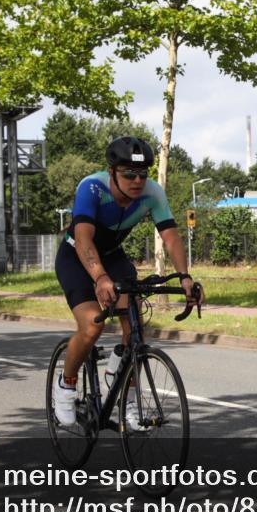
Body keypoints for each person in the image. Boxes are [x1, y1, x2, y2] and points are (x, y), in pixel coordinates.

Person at [53, 136, 203, 426]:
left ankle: (125, 392)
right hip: (76, 256)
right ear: (112, 173)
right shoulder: (92, 187)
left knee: (134, 329)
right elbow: (84, 236)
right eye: (128, 174)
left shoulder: (152, 193)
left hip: (113, 256)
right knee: (91, 326)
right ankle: (66, 384)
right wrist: (99, 276)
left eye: (142, 174)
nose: (137, 181)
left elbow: (170, 235)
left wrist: (185, 277)